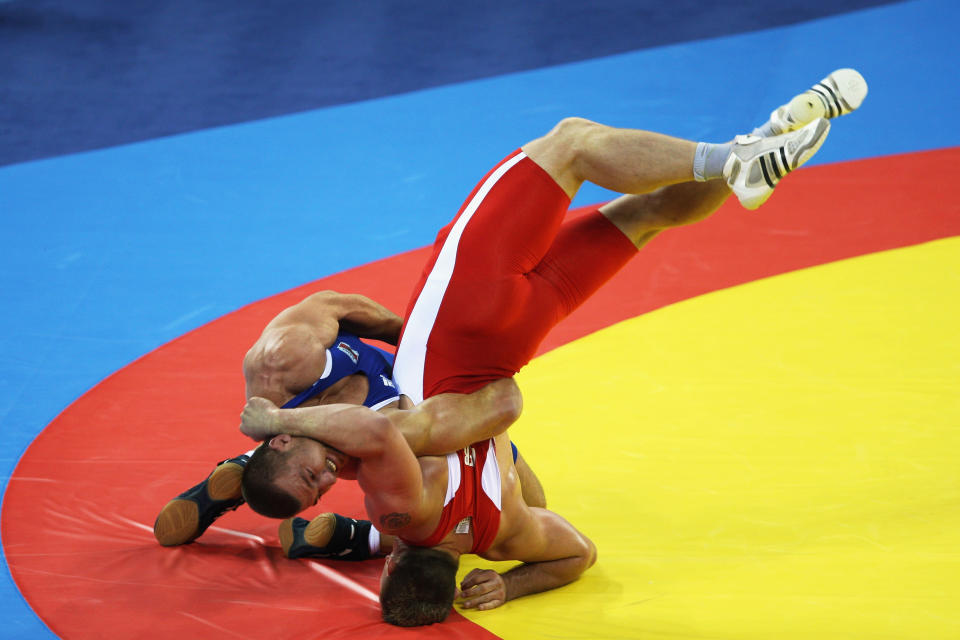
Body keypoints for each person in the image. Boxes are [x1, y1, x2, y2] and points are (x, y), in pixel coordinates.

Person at [237, 69, 867, 625]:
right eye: (318, 485)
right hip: (464, 323)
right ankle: (738, 159)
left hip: (512, 344)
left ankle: (768, 136)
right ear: (393, 559)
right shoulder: (390, 497)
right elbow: (379, 434)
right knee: (570, 143)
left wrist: (511, 586)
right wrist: (273, 421)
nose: (326, 481)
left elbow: (571, 540)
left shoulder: (505, 534)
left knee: (638, 219)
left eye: (310, 481)